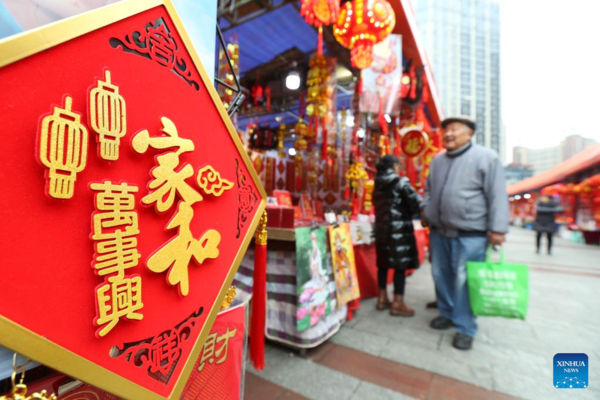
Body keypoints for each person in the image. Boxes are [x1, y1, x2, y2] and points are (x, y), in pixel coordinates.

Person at [422, 116, 509, 350]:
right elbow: (428, 191)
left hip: (471, 233)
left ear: (469, 133)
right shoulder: (437, 161)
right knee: (441, 275)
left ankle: (465, 326)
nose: (448, 134)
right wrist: (426, 210)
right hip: (439, 231)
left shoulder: (486, 157)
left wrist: (498, 229)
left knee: (465, 280)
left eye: (454, 129)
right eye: (446, 130)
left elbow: (497, 195)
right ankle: (448, 313)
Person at [373, 155, 422, 316]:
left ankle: (382, 298)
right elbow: (415, 205)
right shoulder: (401, 182)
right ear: (394, 166)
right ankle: (397, 302)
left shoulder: (377, 184)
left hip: (382, 230)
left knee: (383, 264)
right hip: (400, 231)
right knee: (399, 266)